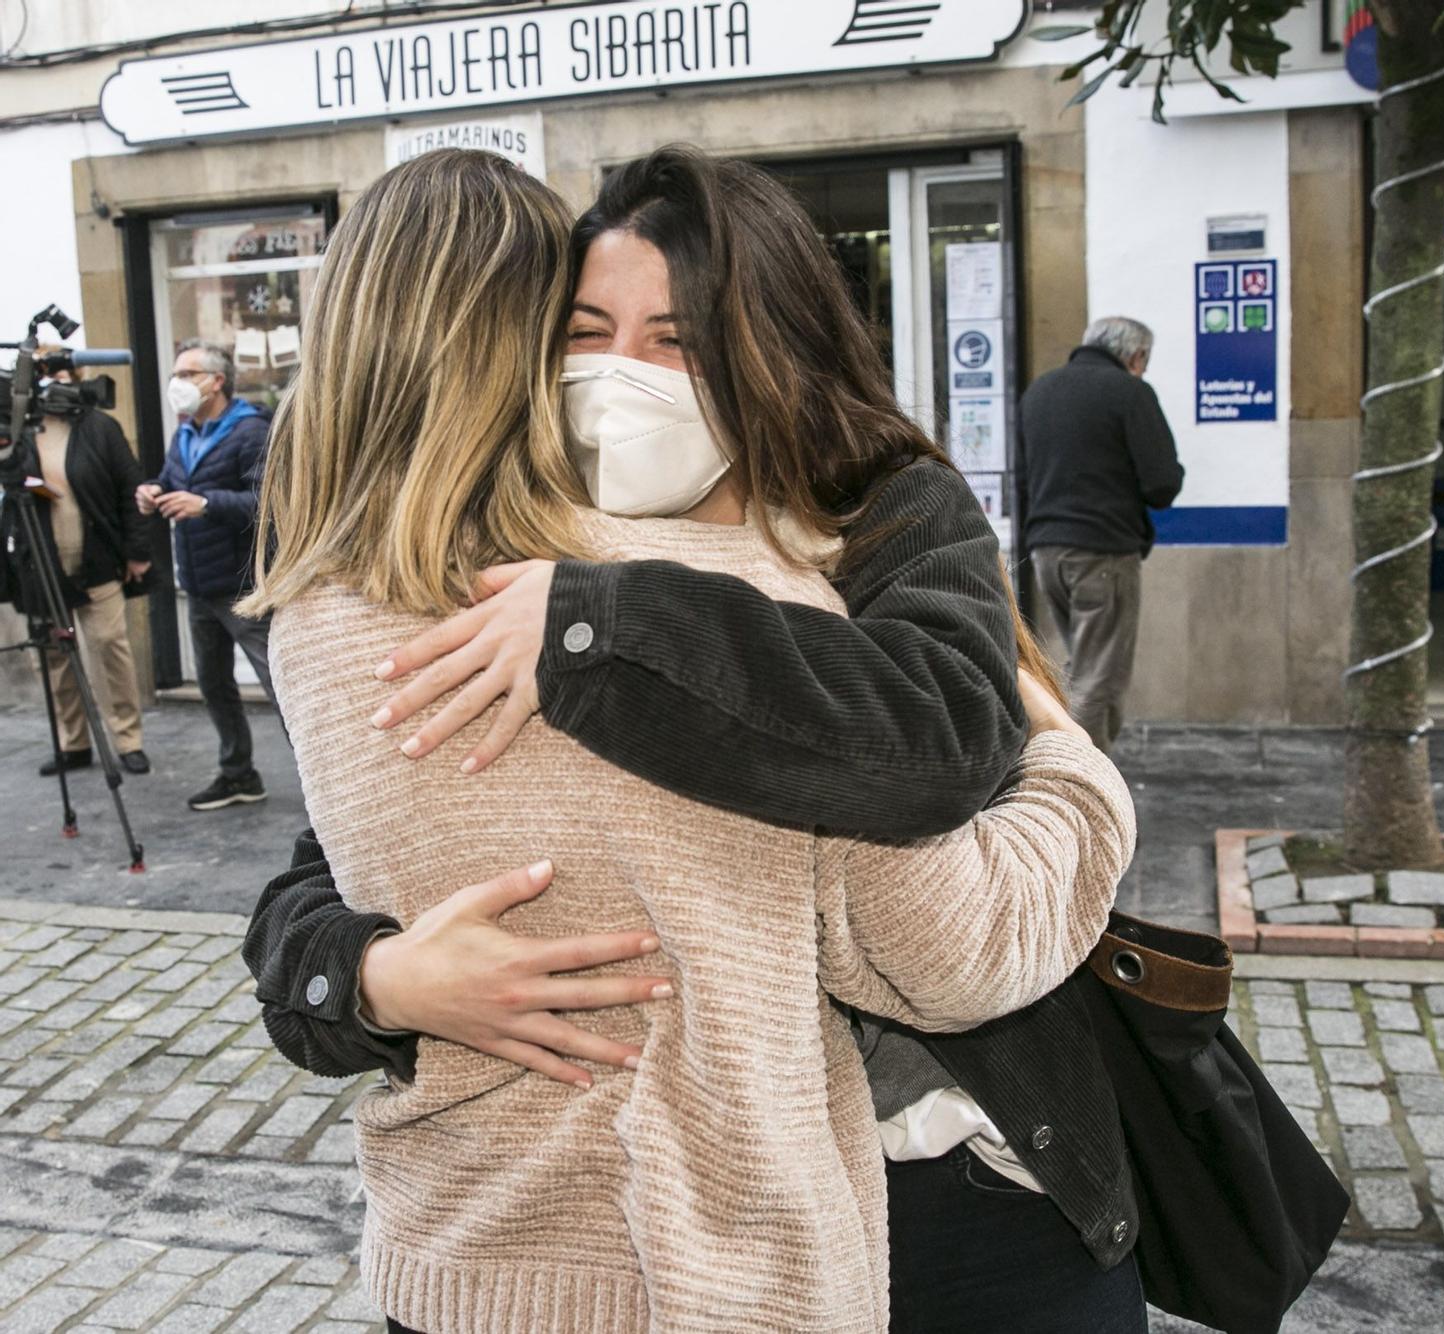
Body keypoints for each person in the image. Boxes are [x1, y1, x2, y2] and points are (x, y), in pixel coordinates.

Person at [242, 147, 1137, 1334]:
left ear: (771, 346)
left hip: (973, 1175)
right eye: (585, 329)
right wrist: (375, 977)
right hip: (725, 1240)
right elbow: (329, 867)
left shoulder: (876, 511)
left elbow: (944, 744)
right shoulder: (493, 573)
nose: (623, 374)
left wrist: (602, 625)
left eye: (677, 338)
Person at [1020, 315, 1183, 750]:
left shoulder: (1040, 391)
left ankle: (1063, 766)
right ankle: (1078, 785)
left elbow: (1024, 477)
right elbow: (1162, 483)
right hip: (1103, 551)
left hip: (1045, 550)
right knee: (1098, 678)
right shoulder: (1130, 393)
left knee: (1080, 667)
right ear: (1136, 356)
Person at [137, 340, 279, 811]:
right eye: (176, 375)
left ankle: (328, 786)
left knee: (280, 686)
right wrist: (155, 492)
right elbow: (175, 483)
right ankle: (238, 774)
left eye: (186, 374)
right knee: (215, 686)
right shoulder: (185, 433)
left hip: (243, 587)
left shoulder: (250, 432)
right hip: (198, 583)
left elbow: (272, 507)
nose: (177, 384)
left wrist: (207, 504)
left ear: (216, 381)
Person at [22, 366, 151, 775]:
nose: (54, 381)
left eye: (62, 371)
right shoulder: (22, 427)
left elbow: (131, 489)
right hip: (42, 564)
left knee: (109, 647)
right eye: (44, 372)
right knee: (55, 658)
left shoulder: (99, 427)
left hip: (97, 559)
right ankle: (72, 743)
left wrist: (137, 552)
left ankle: (127, 740)